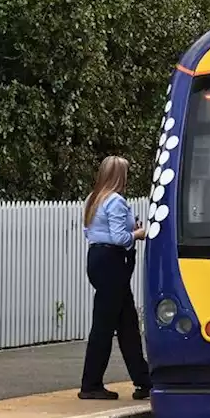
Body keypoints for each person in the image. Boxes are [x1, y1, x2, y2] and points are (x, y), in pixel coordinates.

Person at [78, 155, 152, 400]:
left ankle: (144, 380)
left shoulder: (93, 199)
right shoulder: (116, 201)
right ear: (121, 176)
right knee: (105, 325)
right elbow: (120, 238)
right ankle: (91, 384)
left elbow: (90, 231)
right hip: (112, 263)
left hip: (97, 259)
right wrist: (139, 233)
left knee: (127, 322)